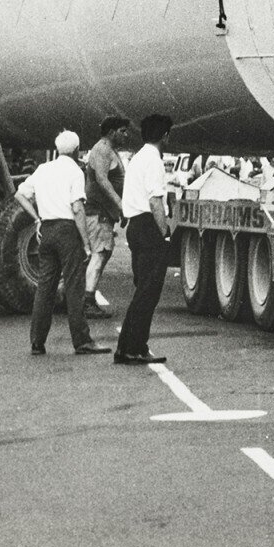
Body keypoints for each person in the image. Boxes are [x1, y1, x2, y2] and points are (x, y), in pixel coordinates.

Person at [21, 131, 110, 356]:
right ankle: (82, 341)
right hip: (67, 231)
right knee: (74, 287)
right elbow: (78, 208)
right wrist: (86, 243)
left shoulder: (43, 169)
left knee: (45, 288)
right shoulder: (74, 172)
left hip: (47, 229)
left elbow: (20, 195)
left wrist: (36, 219)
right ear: (76, 150)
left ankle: (37, 341)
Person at [113, 113, 175, 366]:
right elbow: (155, 200)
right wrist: (166, 232)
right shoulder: (154, 161)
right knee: (148, 293)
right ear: (164, 136)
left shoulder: (138, 158)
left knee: (142, 291)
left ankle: (127, 347)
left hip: (135, 227)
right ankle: (135, 348)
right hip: (149, 226)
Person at [77, 116, 130, 317]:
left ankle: (84, 298)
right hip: (99, 213)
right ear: (111, 132)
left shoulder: (108, 150)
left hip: (105, 213)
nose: (126, 135)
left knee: (102, 253)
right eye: (123, 131)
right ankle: (87, 301)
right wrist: (120, 205)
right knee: (99, 254)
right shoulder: (102, 150)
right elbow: (101, 179)